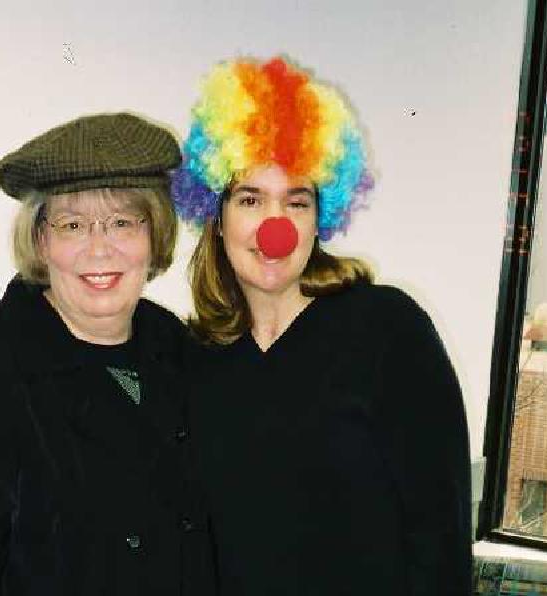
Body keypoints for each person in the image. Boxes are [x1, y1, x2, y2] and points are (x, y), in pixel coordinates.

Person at [172, 56, 472, 595]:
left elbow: (440, 536)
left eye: (297, 201)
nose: (275, 228)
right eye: (250, 199)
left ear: (320, 217)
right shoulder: (196, 357)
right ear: (217, 219)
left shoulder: (389, 331)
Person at [0, 113, 215, 596]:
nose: (99, 249)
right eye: (73, 225)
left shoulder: (176, 348)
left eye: (122, 222)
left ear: (154, 235)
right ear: (41, 239)